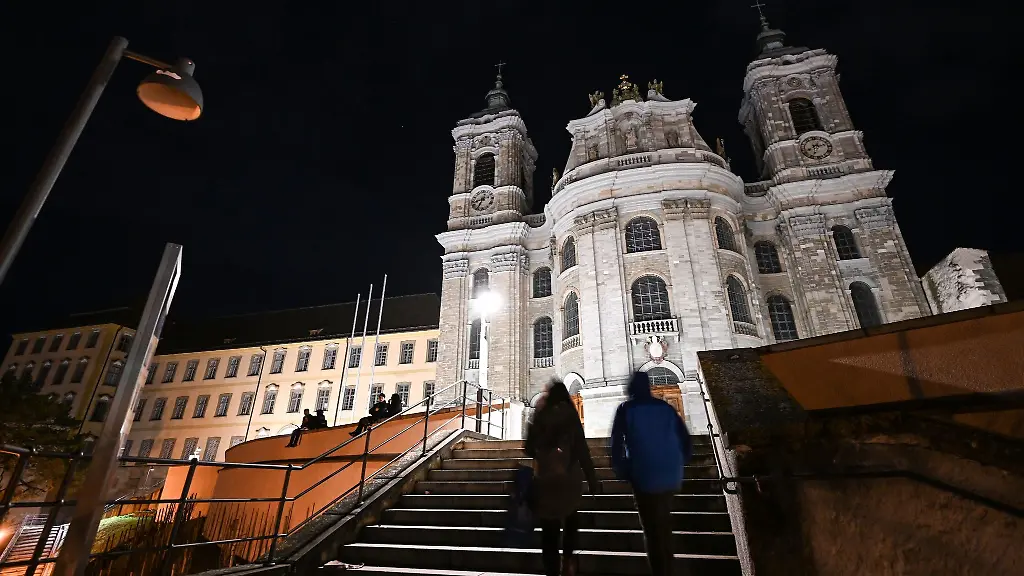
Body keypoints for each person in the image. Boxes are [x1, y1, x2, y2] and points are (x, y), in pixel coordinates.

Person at [611, 371, 693, 576]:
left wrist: (621, 469)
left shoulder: (626, 408)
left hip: (644, 473)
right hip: (669, 474)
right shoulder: (665, 407)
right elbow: (685, 439)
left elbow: (616, 443)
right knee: (663, 524)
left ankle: (660, 571)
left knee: (652, 530)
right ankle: (669, 567)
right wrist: (679, 462)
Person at [525, 381, 599, 576]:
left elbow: (528, 448)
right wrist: (592, 478)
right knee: (571, 517)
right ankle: (567, 559)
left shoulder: (542, 412)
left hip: (546, 478)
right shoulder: (570, 414)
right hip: (569, 476)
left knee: (549, 530)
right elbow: (582, 449)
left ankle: (552, 569)